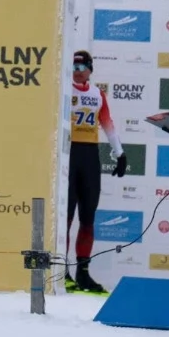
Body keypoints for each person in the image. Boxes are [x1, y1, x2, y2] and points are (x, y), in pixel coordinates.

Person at [65, 50, 126, 294]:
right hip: (68, 153)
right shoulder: (64, 89)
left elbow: (108, 125)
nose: (77, 72)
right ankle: (62, 272)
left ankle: (83, 273)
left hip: (90, 156)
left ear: (90, 69)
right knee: (66, 218)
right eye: (74, 68)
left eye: (82, 68)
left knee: (88, 217)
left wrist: (120, 154)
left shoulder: (97, 94)